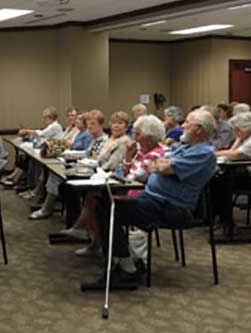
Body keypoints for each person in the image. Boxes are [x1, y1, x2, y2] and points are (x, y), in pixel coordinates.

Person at [84, 110, 218, 290]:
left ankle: (127, 269)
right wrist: (161, 165)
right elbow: (159, 164)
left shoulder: (205, 153)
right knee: (103, 204)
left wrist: (162, 166)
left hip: (172, 207)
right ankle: (128, 262)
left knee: (109, 210)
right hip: (153, 199)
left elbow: (163, 167)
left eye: (187, 122)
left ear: (199, 129)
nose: (183, 125)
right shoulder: (185, 147)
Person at [68, 115, 167, 254]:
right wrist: (128, 156)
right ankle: (99, 242)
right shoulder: (141, 150)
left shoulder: (157, 153)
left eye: (138, 134)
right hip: (128, 186)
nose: (135, 138)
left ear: (149, 136)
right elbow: (127, 171)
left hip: (138, 192)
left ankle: (109, 247)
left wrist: (124, 171)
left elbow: (137, 176)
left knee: (98, 202)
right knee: (93, 197)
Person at [29, 109, 107, 220]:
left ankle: (50, 209)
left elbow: (96, 159)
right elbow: (85, 153)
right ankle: (51, 207)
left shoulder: (103, 140)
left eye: (93, 124)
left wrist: (72, 155)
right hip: (82, 167)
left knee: (62, 180)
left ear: (101, 124)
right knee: (56, 176)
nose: (89, 127)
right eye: (88, 124)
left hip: (93, 174)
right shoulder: (93, 138)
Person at [1, 106, 63, 187]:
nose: (43, 120)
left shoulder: (55, 126)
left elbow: (42, 134)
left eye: (44, 118)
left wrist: (27, 131)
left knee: (30, 160)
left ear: (50, 117)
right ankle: (18, 179)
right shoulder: (50, 126)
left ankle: (25, 183)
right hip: (46, 150)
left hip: (52, 153)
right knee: (26, 158)